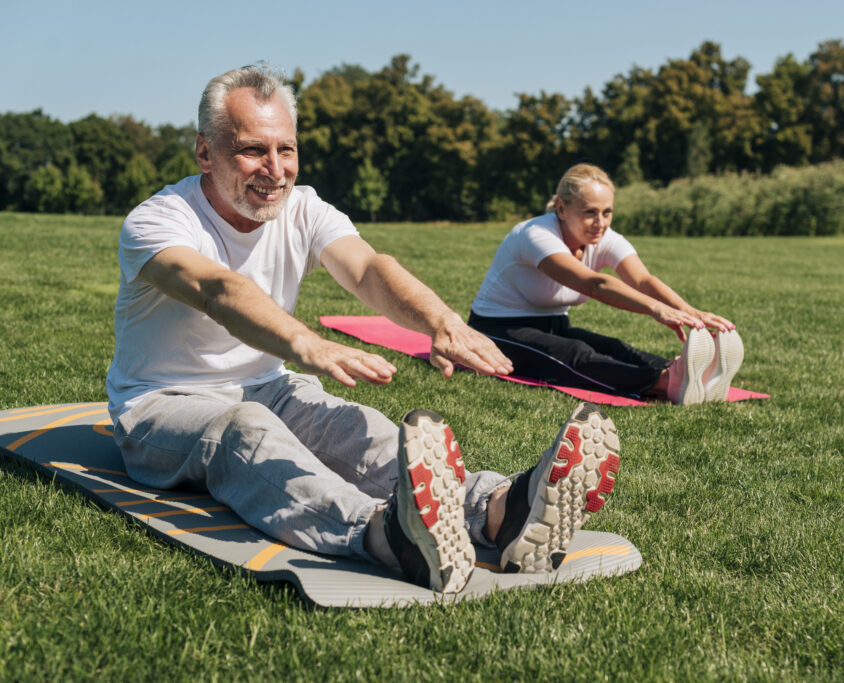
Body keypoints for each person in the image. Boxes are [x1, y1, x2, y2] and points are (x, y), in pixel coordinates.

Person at [105, 64, 620, 594]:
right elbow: (218, 290)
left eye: (286, 149)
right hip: (161, 404)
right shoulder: (159, 220)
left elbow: (369, 268)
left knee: (355, 428)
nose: (275, 169)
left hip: (270, 388)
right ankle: (384, 533)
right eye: (252, 150)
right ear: (205, 153)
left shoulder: (302, 208)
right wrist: (305, 343)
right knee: (244, 432)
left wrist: (440, 322)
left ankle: (498, 512)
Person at [468, 163, 744, 406]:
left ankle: (684, 373)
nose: (600, 223)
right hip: (496, 330)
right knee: (574, 354)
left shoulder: (604, 237)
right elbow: (594, 284)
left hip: (553, 325)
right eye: (590, 212)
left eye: (607, 212)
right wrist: (655, 309)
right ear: (561, 208)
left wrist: (691, 312)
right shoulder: (535, 235)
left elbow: (642, 279)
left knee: (614, 347)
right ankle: (663, 382)